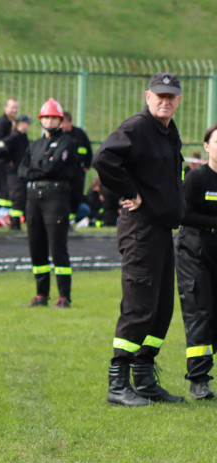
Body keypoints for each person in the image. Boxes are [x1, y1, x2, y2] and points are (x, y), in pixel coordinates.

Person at [94, 72, 186, 406]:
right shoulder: (136, 127)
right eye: (159, 95)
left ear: (178, 99)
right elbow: (103, 159)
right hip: (141, 230)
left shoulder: (168, 130)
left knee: (161, 308)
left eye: (171, 96)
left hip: (162, 230)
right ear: (146, 96)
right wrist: (130, 191)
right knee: (139, 305)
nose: (165, 100)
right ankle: (118, 383)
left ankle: (144, 378)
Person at [18, 98, 79, 308]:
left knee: (57, 247)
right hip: (34, 198)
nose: (50, 121)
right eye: (47, 117)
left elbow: (52, 168)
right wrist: (40, 168)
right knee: (36, 247)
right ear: (41, 119)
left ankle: (64, 296)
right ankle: (41, 294)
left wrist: (36, 169)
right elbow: (21, 171)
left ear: (60, 120)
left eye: (54, 117)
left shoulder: (67, 143)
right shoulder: (34, 144)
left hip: (56, 197)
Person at [176, 123, 217, 400]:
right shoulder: (196, 178)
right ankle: (199, 380)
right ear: (206, 147)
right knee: (201, 312)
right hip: (194, 250)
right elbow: (182, 214)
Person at [61, 110, 93, 222]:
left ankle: (73, 216)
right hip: (66, 170)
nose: (62, 125)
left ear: (70, 122)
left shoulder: (79, 134)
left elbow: (88, 150)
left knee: (77, 194)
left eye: (64, 122)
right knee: (66, 193)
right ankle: (67, 216)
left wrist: (87, 166)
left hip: (79, 170)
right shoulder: (61, 135)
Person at [2, 114, 31, 230]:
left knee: (21, 197)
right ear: (20, 123)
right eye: (26, 123)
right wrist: (9, 160)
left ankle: (17, 223)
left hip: (22, 171)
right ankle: (14, 224)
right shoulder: (15, 136)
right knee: (17, 197)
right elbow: (3, 146)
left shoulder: (23, 136)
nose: (28, 125)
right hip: (14, 172)